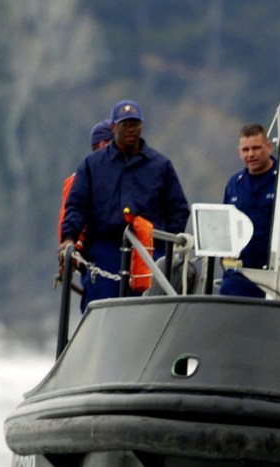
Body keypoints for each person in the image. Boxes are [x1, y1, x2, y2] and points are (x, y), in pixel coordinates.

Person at [60, 100, 190, 311]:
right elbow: (76, 206)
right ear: (113, 127)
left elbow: (178, 208)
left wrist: (167, 248)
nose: (131, 129)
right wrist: (68, 239)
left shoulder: (161, 165)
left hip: (149, 253)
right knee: (101, 311)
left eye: (135, 124)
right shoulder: (92, 165)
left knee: (149, 313)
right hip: (104, 252)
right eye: (125, 124)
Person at [218, 123, 278, 298]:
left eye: (256, 148)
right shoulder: (234, 184)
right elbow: (224, 227)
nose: (250, 154)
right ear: (239, 152)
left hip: (271, 274)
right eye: (245, 150)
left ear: (268, 147)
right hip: (237, 274)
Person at [57, 119, 112, 242]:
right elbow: (69, 216)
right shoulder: (79, 179)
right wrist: (74, 249)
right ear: (103, 145)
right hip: (90, 254)